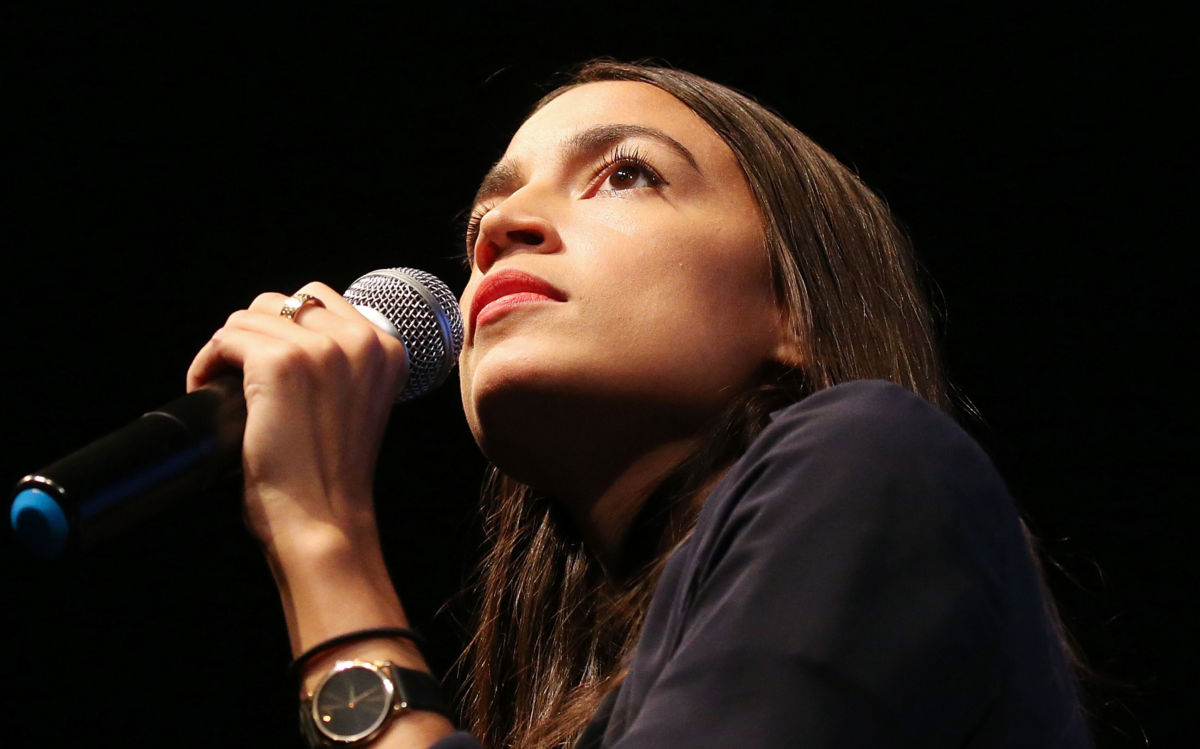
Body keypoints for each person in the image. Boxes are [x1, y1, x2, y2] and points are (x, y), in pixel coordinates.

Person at [186, 60, 1092, 747]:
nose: (500, 232)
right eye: (477, 229)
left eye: (625, 174)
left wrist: (323, 534)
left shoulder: (878, 455)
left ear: (796, 308)